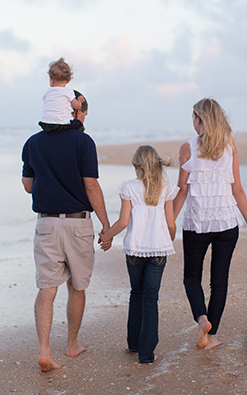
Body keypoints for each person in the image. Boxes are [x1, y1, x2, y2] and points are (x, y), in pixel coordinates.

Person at [21, 92, 111, 372]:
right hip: (77, 223)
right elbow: (91, 186)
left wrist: (50, 179)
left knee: (47, 288)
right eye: (82, 110)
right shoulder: (84, 142)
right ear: (75, 112)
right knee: (77, 286)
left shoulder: (33, 143)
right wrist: (106, 225)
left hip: (46, 223)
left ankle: (44, 350)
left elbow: (27, 185)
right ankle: (72, 345)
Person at [173, 98, 247, 350]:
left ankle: (202, 320)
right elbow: (239, 191)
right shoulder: (230, 148)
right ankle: (210, 336)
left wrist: (169, 221)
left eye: (194, 117)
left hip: (198, 224)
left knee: (191, 276)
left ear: (200, 120)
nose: (192, 122)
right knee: (219, 281)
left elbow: (181, 191)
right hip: (227, 223)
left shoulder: (188, 148)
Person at [99, 145, 178, 364]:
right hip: (158, 251)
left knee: (136, 293)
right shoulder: (166, 188)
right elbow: (171, 224)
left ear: (136, 166)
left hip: (134, 250)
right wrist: (166, 239)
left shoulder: (129, 187)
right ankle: (146, 354)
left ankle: (133, 343)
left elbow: (123, 222)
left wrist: (106, 236)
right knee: (151, 299)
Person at [39, 58, 83, 132]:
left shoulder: (47, 92)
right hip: (62, 123)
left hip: (45, 123)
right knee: (78, 124)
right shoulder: (68, 92)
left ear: (51, 78)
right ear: (68, 80)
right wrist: (79, 101)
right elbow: (77, 106)